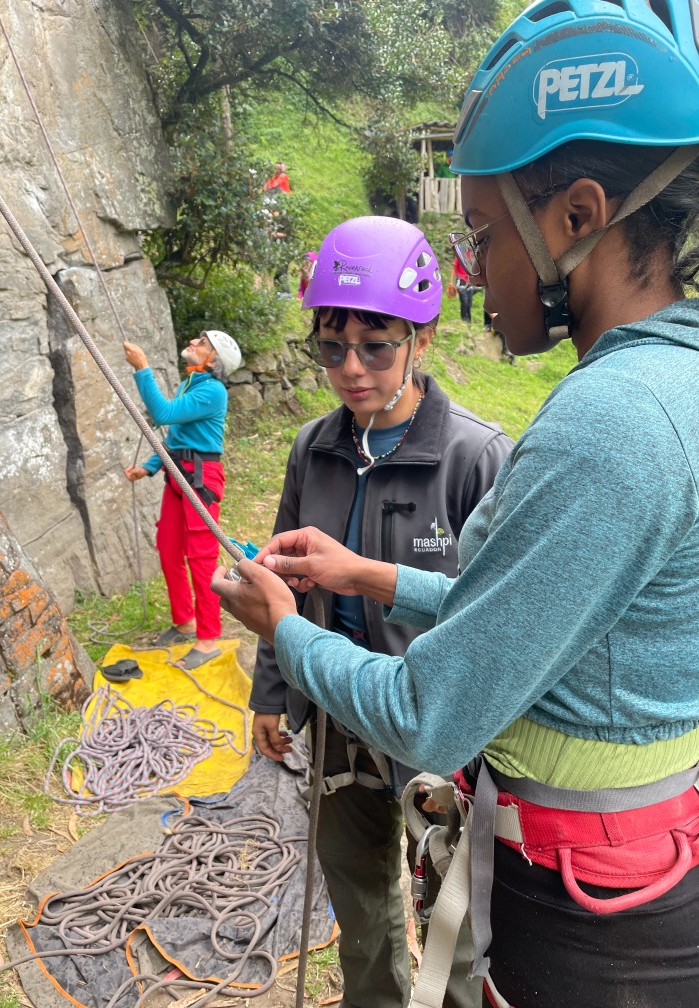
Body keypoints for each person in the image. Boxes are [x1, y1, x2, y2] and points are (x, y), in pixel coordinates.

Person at [213, 2, 699, 1006]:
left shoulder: (608, 423)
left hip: (584, 916)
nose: (474, 270)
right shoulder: (672, 384)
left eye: (481, 233)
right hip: (623, 868)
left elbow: (430, 712)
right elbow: (537, 609)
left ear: (576, 215)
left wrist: (285, 631)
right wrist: (373, 578)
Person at [249, 215, 512, 1008]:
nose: (351, 370)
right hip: (335, 722)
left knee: (456, 930)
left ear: (421, 340)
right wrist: (272, 693)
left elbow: (495, 619)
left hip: (438, 740)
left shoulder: (475, 456)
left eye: (376, 345)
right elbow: (285, 581)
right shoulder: (313, 448)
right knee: (360, 915)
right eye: (332, 348)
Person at [123, 330, 242, 656]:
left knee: (201, 558)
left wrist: (142, 368)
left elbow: (161, 415)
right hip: (178, 476)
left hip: (201, 480)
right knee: (169, 548)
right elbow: (174, 439)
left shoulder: (214, 392)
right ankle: (184, 621)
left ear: (213, 359)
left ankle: (208, 639)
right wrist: (148, 467)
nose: (192, 342)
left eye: (201, 343)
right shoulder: (190, 384)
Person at [449, 255, 476, 323]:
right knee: (464, 301)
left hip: (469, 281)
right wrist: (451, 282)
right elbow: (454, 267)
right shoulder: (459, 255)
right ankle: (464, 319)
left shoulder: (470, 255)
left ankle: (469, 321)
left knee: (469, 303)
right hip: (461, 281)